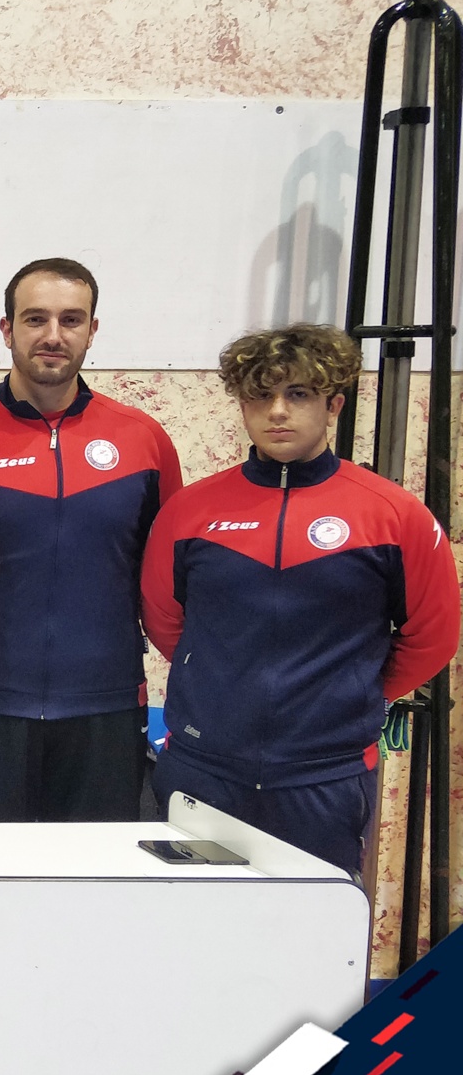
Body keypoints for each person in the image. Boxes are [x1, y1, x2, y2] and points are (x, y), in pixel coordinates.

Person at [142, 323, 461, 875]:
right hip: (203, 770)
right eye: (261, 395)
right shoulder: (190, 512)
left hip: (324, 779)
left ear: (334, 404)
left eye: (298, 394)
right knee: (194, 922)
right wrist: (219, 680)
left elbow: (432, 637)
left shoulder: (394, 515)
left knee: (315, 924)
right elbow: (164, 619)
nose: (278, 411)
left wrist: (350, 692)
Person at [0, 259, 183, 822]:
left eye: (71, 320)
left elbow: (170, 579)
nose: (52, 335)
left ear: (92, 330)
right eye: (34, 318)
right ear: (7, 329)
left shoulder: (144, 441)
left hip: (105, 707)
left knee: (91, 876)